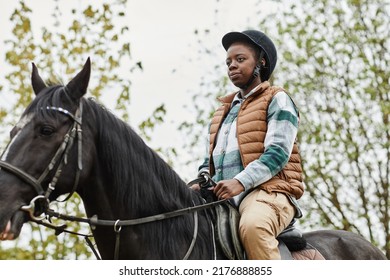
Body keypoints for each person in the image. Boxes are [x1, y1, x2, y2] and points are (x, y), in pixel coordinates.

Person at [193, 30, 304, 260]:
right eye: (228, 62)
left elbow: (277, 154)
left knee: (254, 227)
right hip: (225, 198)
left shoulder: (278, 99)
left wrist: (240, 182)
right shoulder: (221, 112)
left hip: (269, 192)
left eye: (240, 59)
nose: (232, 66)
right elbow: (208, 162)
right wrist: (201, 182)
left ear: (260, 62)